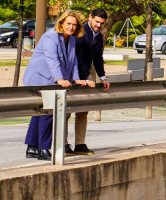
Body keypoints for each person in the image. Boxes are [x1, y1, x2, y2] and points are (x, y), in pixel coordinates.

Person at [23, 11, 94, 160]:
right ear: (61, 23)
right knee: (49, 112)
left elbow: (73, 61)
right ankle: (43, 149)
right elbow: (52, 60)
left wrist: (76, 79)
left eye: (74, 25)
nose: (71, 27)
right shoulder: (50, 37)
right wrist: (60, 79)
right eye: (68, 23)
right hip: (41, 78)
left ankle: (32, 147)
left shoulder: (72, 40)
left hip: (52, 78)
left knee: (40, 112)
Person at [67, 8, 110, 155]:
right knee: (66, 111)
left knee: (83, 110)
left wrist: (102, 77)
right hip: (72, 76)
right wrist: (81, 79)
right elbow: (76, 58)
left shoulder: (98, 36)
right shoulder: (80, 32)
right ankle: (64, 143)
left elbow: (97, 57)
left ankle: (80, 143)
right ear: (90, 18)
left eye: (102, 23)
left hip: (86, 75)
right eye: (97, 21)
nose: (98, 25)